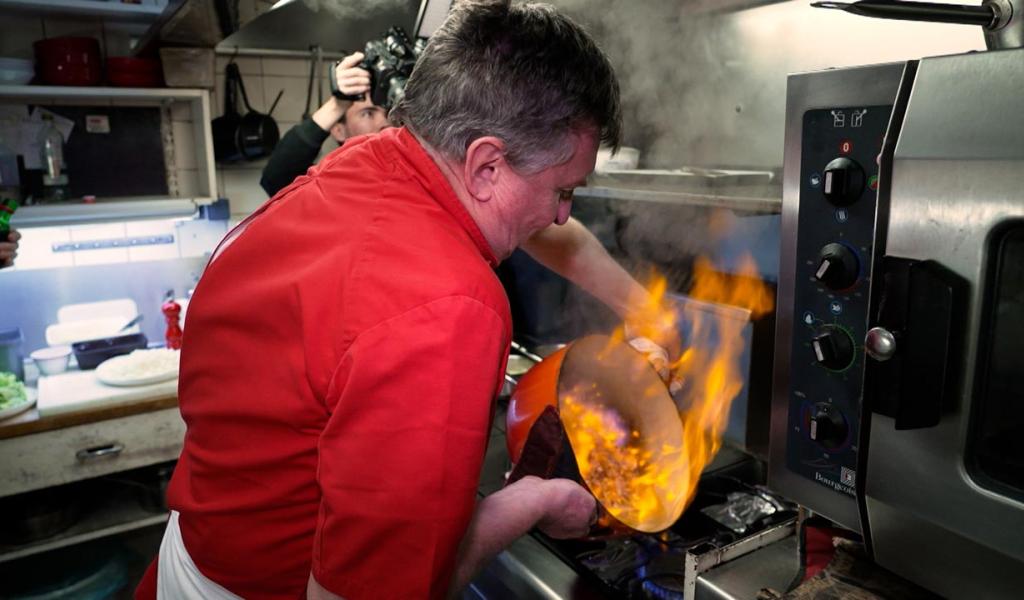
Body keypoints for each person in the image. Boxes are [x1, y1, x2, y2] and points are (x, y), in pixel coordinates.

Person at [136, 2, 675, 599]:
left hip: (193, 551)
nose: (562, 212)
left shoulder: (372, 164)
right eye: (563, 189)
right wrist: (532, 499)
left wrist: (646, 308)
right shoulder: (448, 307)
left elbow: (545, 230)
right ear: (486, 164)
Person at [259, 53, 389, 197]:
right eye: (368, 113)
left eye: (389, 113)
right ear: (339, 131)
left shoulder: (408, 172)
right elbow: (275, 179)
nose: (385, 123)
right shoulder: (332, 188)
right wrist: (337, 105)